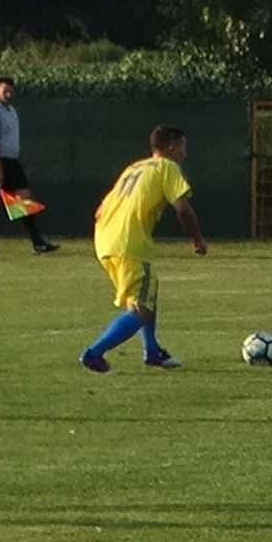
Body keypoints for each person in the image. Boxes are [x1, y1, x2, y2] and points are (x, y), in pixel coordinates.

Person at [79, 126, 206, 373]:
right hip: (130, 243)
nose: (185, 153)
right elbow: (182, 208)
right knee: (142, 310)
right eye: (183, 147)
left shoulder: (134, 168)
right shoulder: (167, 167)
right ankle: (94, 353)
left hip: (105, 241)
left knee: (147, 294)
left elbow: (99, 211)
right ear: (171, 146)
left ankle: (152, 351)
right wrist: (197, 240)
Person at [0, 76, 57, 256]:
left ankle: (38, 243)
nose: (8, 94)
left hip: (11, 161)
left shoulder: (11, 111)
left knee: (24, 199)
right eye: (5, 90)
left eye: (11, 91)